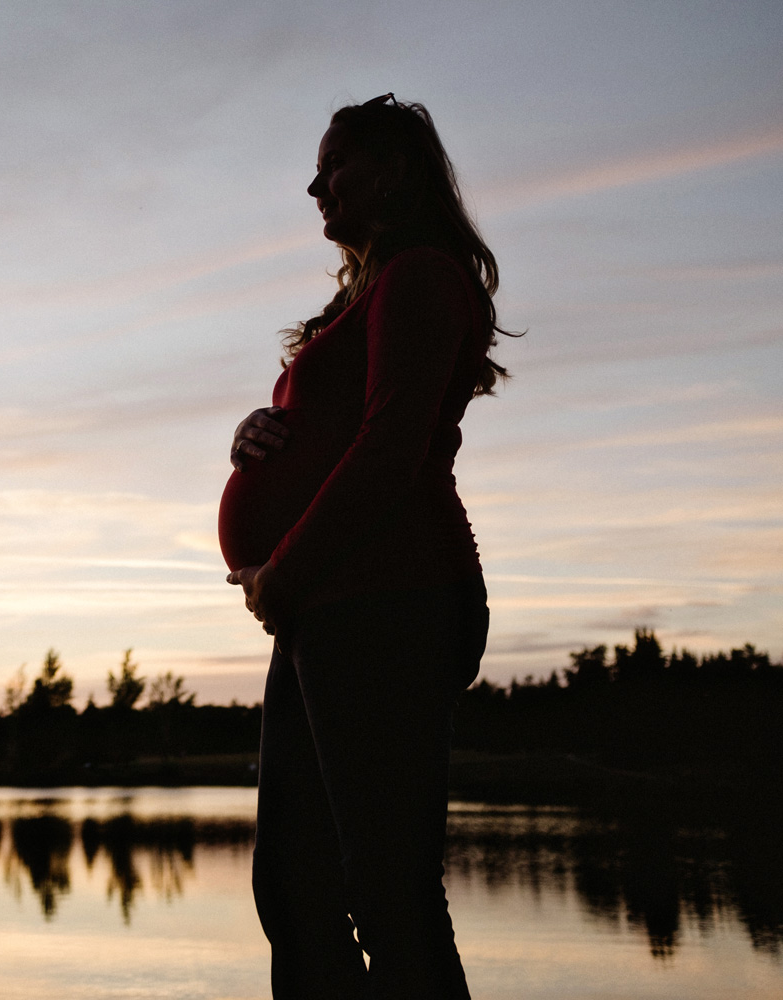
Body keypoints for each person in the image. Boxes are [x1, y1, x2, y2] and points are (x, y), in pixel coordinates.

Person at [219, 94, 515, 999]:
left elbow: (391, 449)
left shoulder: (422, 275)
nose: (315, 185)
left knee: (387, 890)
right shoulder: (361, 299)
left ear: (392, 168)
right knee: (294, 885)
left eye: (335, 163)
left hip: (387, 596)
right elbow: (326, 424)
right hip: (322, 605)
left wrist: (284, 573)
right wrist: (256, 433)